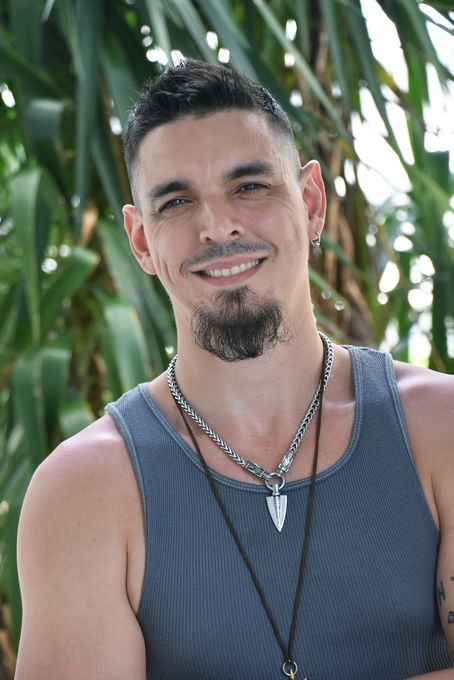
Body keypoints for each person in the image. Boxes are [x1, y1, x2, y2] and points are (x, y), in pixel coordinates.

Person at [15, 59, 454, 680]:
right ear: (140, 241)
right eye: (176, 201)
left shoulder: (439, 428)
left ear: (310, 202)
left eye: (249, 186)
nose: (217, 226)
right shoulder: (84, 491)